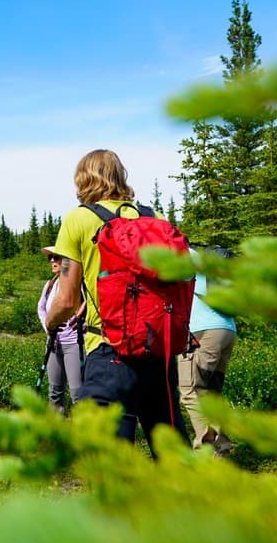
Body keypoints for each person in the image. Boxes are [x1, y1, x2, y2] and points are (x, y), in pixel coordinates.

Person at [45, 149, 187, 453]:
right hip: (157, 353)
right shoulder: (155, 217)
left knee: (111, 461)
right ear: (121, 176)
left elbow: (67, 300)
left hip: (109, 351)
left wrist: (50, 322)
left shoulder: (79, 219)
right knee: (174, 457)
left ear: (84, 179)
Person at [178, 246, 237, 456]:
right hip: (227, 329)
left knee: (191, 390)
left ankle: (206, 447)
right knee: (211, 391)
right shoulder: (204, 260)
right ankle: (222, 446)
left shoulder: (181, 256)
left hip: (202, 330)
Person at [37, 246, 85, 413]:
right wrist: (48, 328)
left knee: (77, 394)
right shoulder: (50, 284)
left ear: (66, 260)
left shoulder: (78, 283)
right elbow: (41, 308)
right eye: (50, 257)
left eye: (56, 257)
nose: (52, 261)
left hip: (74, 344)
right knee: (54, 392)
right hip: (53, 344)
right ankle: (57, 431)